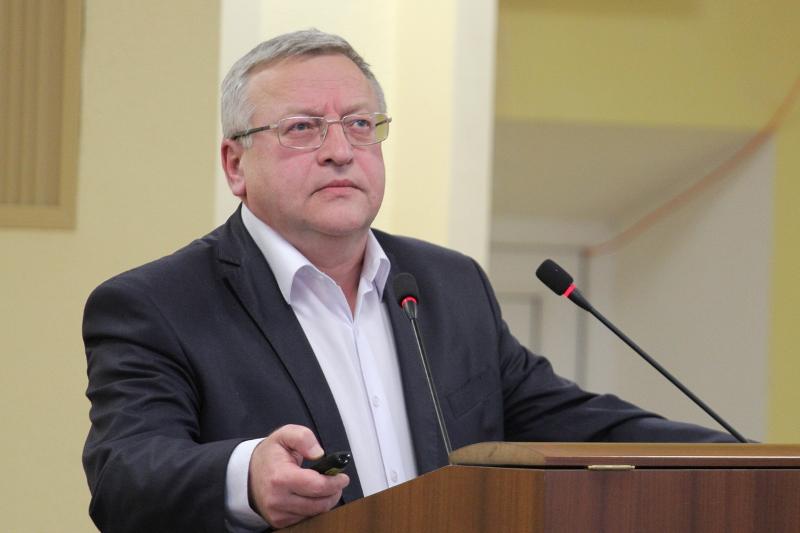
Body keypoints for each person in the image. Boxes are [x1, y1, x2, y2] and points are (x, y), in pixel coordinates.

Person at [82, 29, 734, 533]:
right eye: (303, 128)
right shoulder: (157, 305)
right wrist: (246, 476)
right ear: (235, 163)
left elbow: (572, 424)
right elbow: (124, 476)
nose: (340, 150)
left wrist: (745, 459)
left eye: (360, 124)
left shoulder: (448, 284)